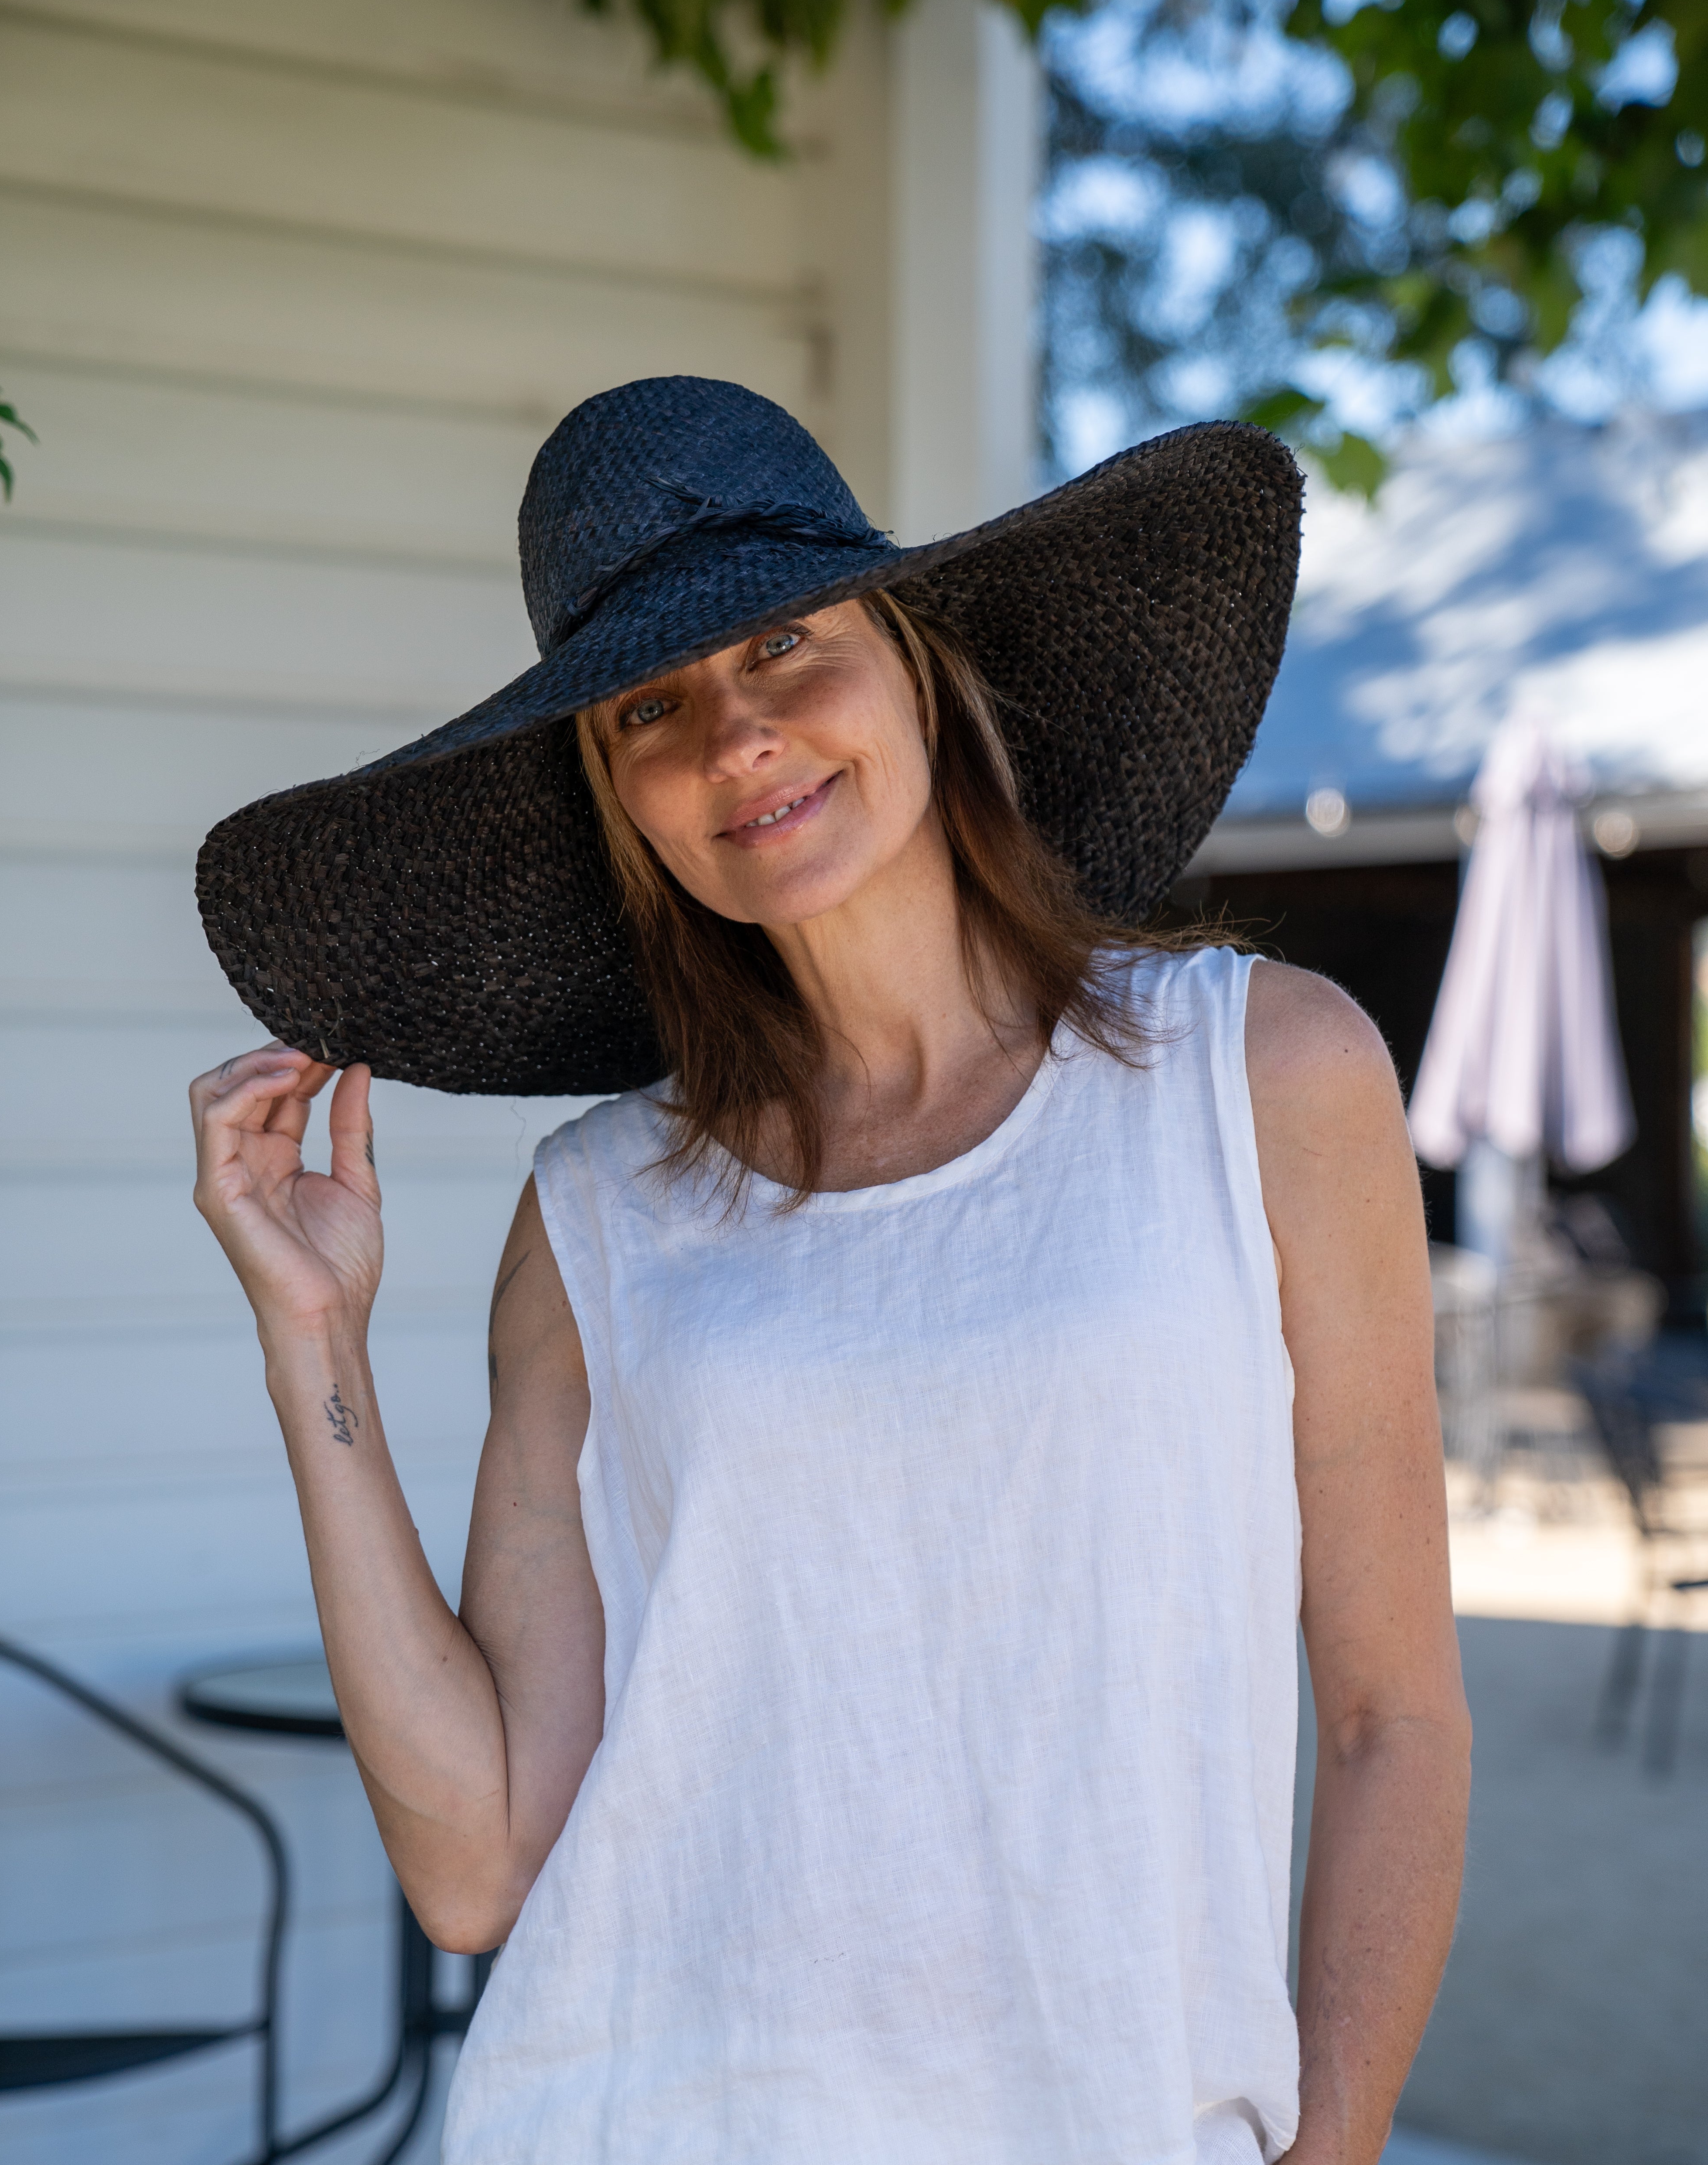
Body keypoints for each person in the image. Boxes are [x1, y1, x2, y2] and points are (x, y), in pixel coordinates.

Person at [190, 378, 1469, 2165]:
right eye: (653, 703)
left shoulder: (1264, 1082)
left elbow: (1392, 1717)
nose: (738, 739)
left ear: (920, 662)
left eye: (785, 641)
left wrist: (1329, 2147)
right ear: (620, 799)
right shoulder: (597, 1219)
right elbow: (477, 1868)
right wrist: (306, 1334)